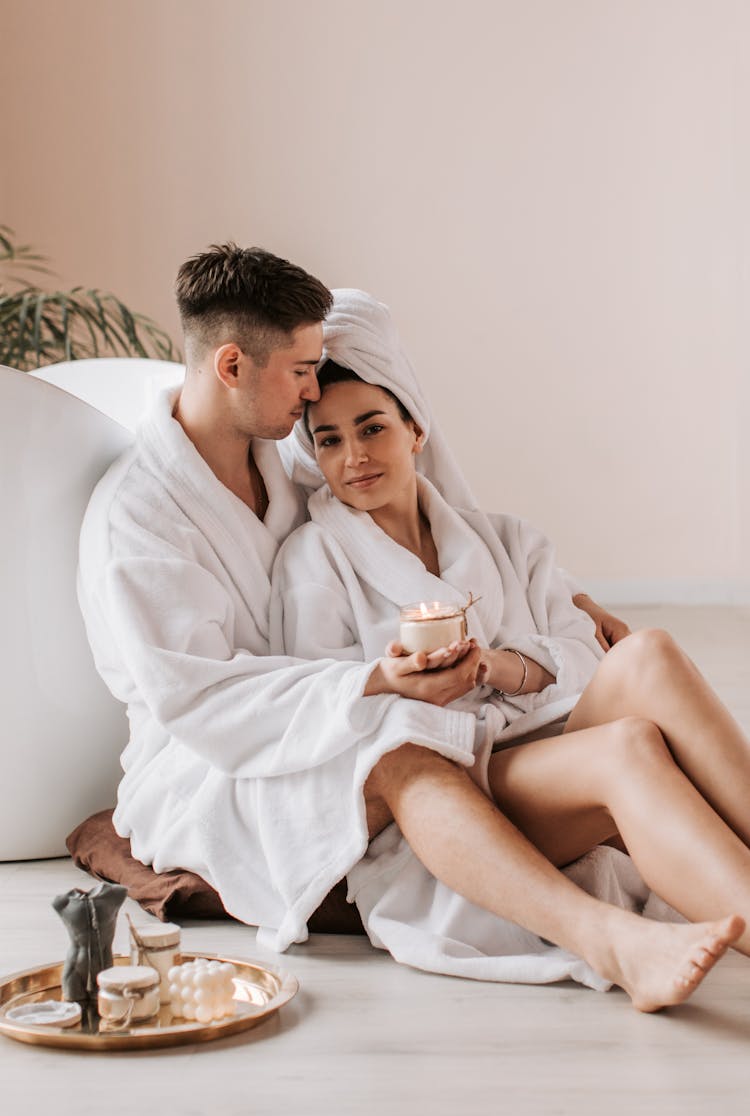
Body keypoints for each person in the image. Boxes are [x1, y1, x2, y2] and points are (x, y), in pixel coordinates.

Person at [77, 246, 739, 1016]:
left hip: (364, 711)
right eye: (300, 371)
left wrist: (563, 605)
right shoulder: (140, 519)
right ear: (232, 366)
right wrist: (378, 680)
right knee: (396, 739)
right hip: (212, 759)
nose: (311, 390)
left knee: (644, 655)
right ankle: (606, 938)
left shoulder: (277, 460)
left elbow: (374, 459)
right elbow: (199, 699)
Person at [272, 288, 750, 1008]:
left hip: (537, 747)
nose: (353, 458)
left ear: (416, 430)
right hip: (454, 792)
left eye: (372, 428)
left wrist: (497, 665)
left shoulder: (504, 538)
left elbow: (584, 655)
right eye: (329, 439)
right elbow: (326, 706)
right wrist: (399, 681)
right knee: (626, 746)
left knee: (647, 650)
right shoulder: (315, 559)